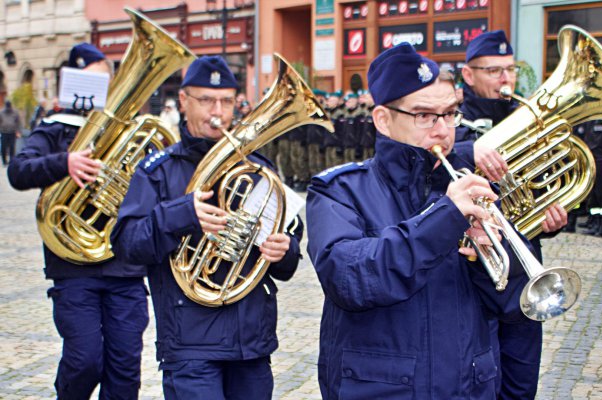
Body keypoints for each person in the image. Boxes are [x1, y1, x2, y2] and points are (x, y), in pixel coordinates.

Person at [306, 42, 531, 399]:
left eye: (450, 114)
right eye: (425, 116)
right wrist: (444, 222)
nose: (442, 130)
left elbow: (514, 304)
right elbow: (348, 280)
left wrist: (490, 255)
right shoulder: (339, 190)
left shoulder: (470, 188)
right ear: (383, 119)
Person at [110, 55, 304, 399]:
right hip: (189, 343)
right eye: (207, 100)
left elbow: (288, 250)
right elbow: (126, 243)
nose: (219, 111)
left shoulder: (259, 169)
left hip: (251, 343)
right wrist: (180, 215)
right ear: (184, 102)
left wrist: (284, 250)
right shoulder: (157, 171)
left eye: (227, 101)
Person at [7, 42, 149, 399]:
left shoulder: (127, 131)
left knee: (125, 369)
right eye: (89, 81)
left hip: (124, 268)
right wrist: (64, 163)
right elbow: (18, 171)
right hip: (73, 266)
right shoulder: (54, 128)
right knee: (85, 360)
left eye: (104, 81)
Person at [456, 30, 568, 399]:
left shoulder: (528, 122)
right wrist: (468, 150)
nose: (506, 79)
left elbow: (536, 194)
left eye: (510, 69)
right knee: (477, 385)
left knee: (521, 388)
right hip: (472, 282)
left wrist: (549, 219)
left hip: (524, 281)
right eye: (494, 71)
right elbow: (425, 167)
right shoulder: (453, 125)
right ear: (469, 75)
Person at [0, 100, 22, 166]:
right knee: (3, 147)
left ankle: (12, 161)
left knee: (12, 147)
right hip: (4, 132)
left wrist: (18, 131)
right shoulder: (1, 112)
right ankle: (4, 161)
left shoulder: (15, 112)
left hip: (12, 132)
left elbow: (18, 122)